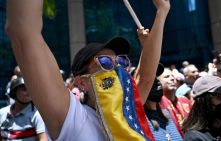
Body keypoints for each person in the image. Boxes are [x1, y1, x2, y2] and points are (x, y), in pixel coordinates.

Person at [5, 0, 170, 140]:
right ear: (82, 82)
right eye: (105, 62)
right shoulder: (71, 117)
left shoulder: (126, 112)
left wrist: (162, 11)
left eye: (120, 61)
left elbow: (146, 77)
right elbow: (24, 33)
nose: (117, 69)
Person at [144, 64, 183, 141]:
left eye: (156, 78)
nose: (156, 82)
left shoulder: (166, 114)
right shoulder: (138, 118)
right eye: (151, 79)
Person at [159, 68, 192, 137]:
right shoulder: (157, 103)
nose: (172, 78)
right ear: (157, 82)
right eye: (167, 77)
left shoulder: (185, 100)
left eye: (173, 76)